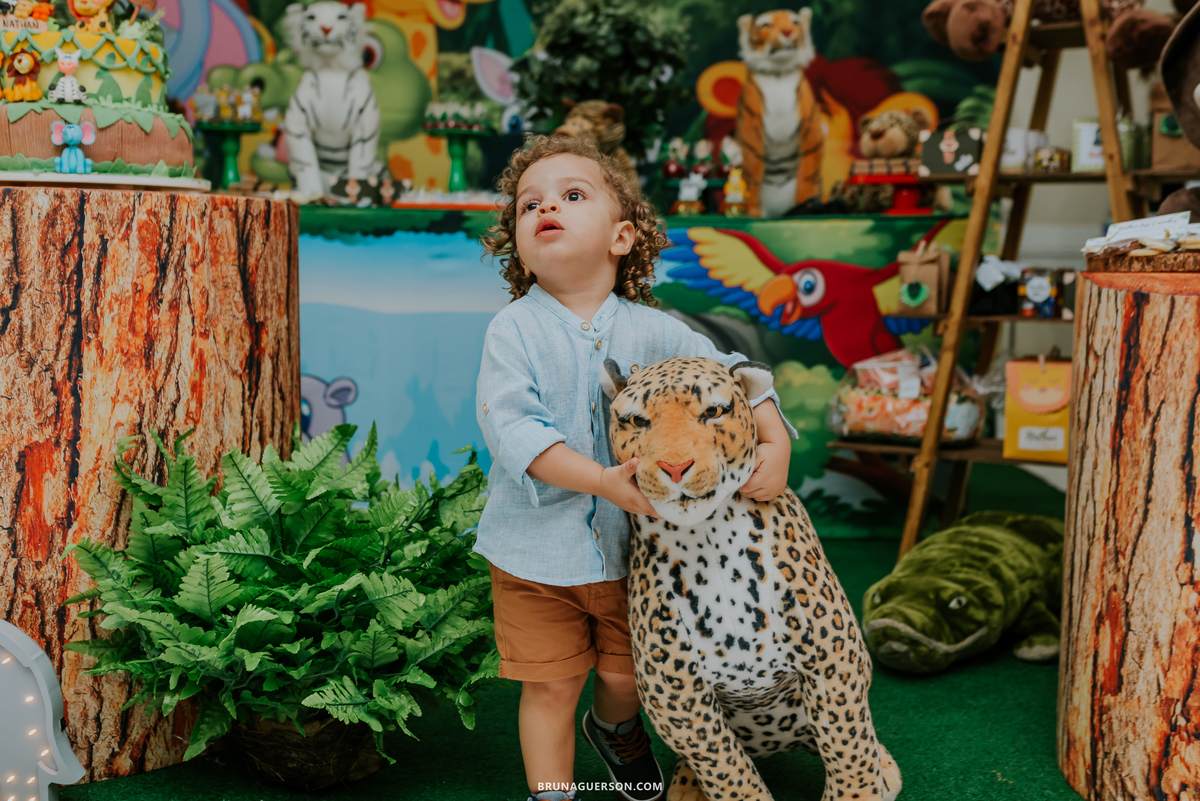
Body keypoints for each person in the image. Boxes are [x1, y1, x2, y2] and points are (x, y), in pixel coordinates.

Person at [475, 134, 796, 801]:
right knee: (552, 681)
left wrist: (775, 439)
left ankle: (616, 729)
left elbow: (732, 377)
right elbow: (514, 428)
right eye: (528, 205)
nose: (544, 209)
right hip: (535, 556)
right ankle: (553, 792)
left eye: (570, 195)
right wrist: (599, 480)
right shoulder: (514, 331)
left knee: (628, 675)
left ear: (622, 237)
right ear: (518, 244)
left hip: (638, 556)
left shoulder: (655, 331)